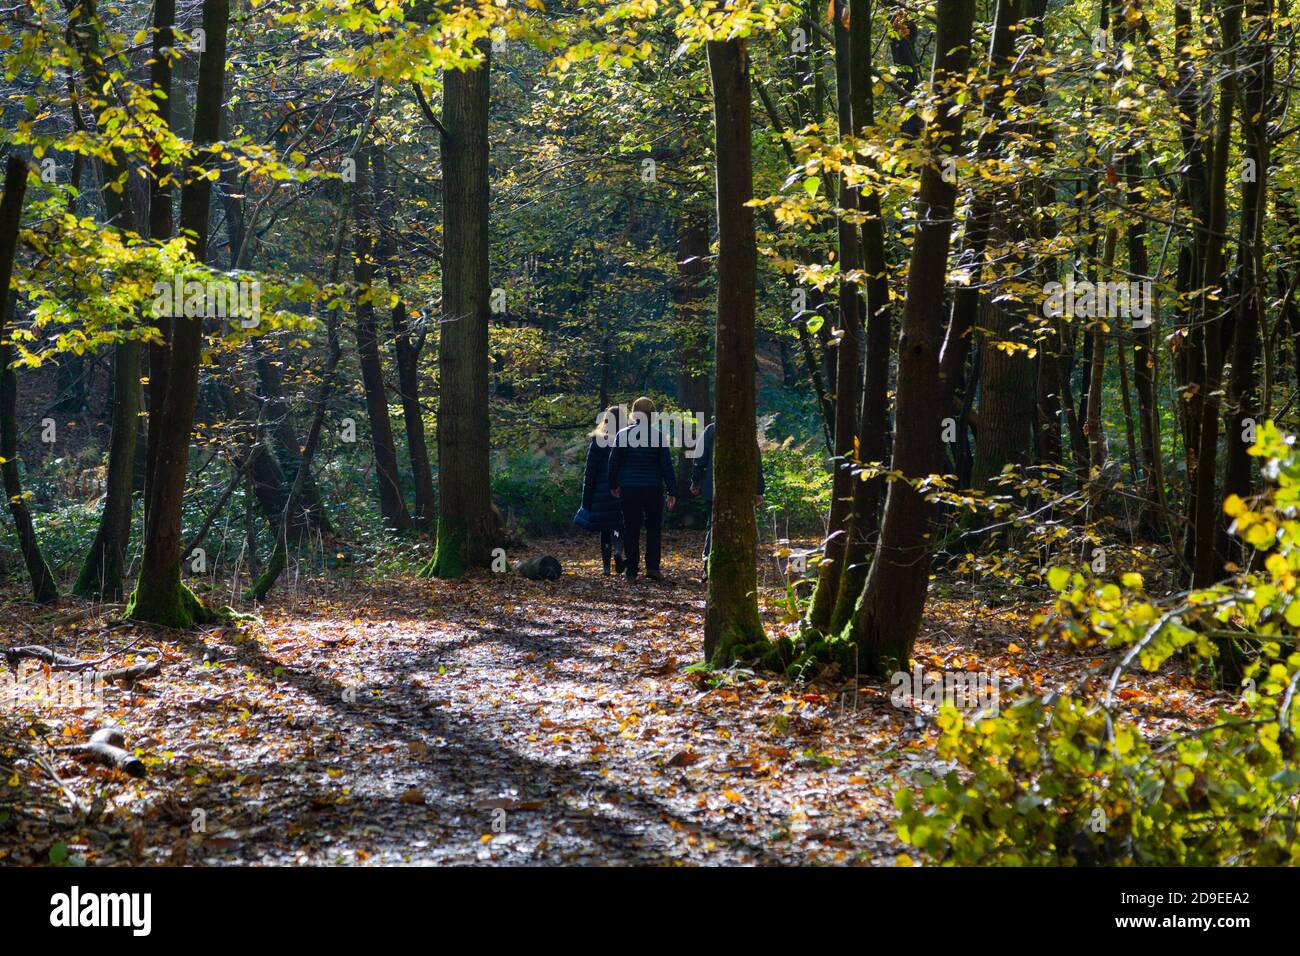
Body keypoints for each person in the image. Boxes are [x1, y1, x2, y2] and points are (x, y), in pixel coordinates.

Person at [608, 396, 678, 582]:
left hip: (629, 488)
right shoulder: (658, 436)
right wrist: (673, 491)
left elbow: (613, 463)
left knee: (631, 528)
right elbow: (666, 466)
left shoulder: (622, 435)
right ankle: (653, 568)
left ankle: (631, 570)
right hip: (653, 488)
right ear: (652, 415)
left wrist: (613, 485)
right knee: (654, 528)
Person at [690, 419, 765, 579]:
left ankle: (708, 567)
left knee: (713, 526)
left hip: (714, 488)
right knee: (738, 526)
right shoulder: (746, 430)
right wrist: (758, 490)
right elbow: (756, 462)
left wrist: (696, 481)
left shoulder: (711, 430)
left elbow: (699, 459)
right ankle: (729, 569)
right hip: (740, 490)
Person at [575, 406, 625, 575]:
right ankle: (618, 551)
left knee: (605, 530)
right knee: (619, 526)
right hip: (621, 491)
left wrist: (586, 501)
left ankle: (605, 567)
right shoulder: (626, 440)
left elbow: (589, 473)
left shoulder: (597, 442)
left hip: (601, 492)